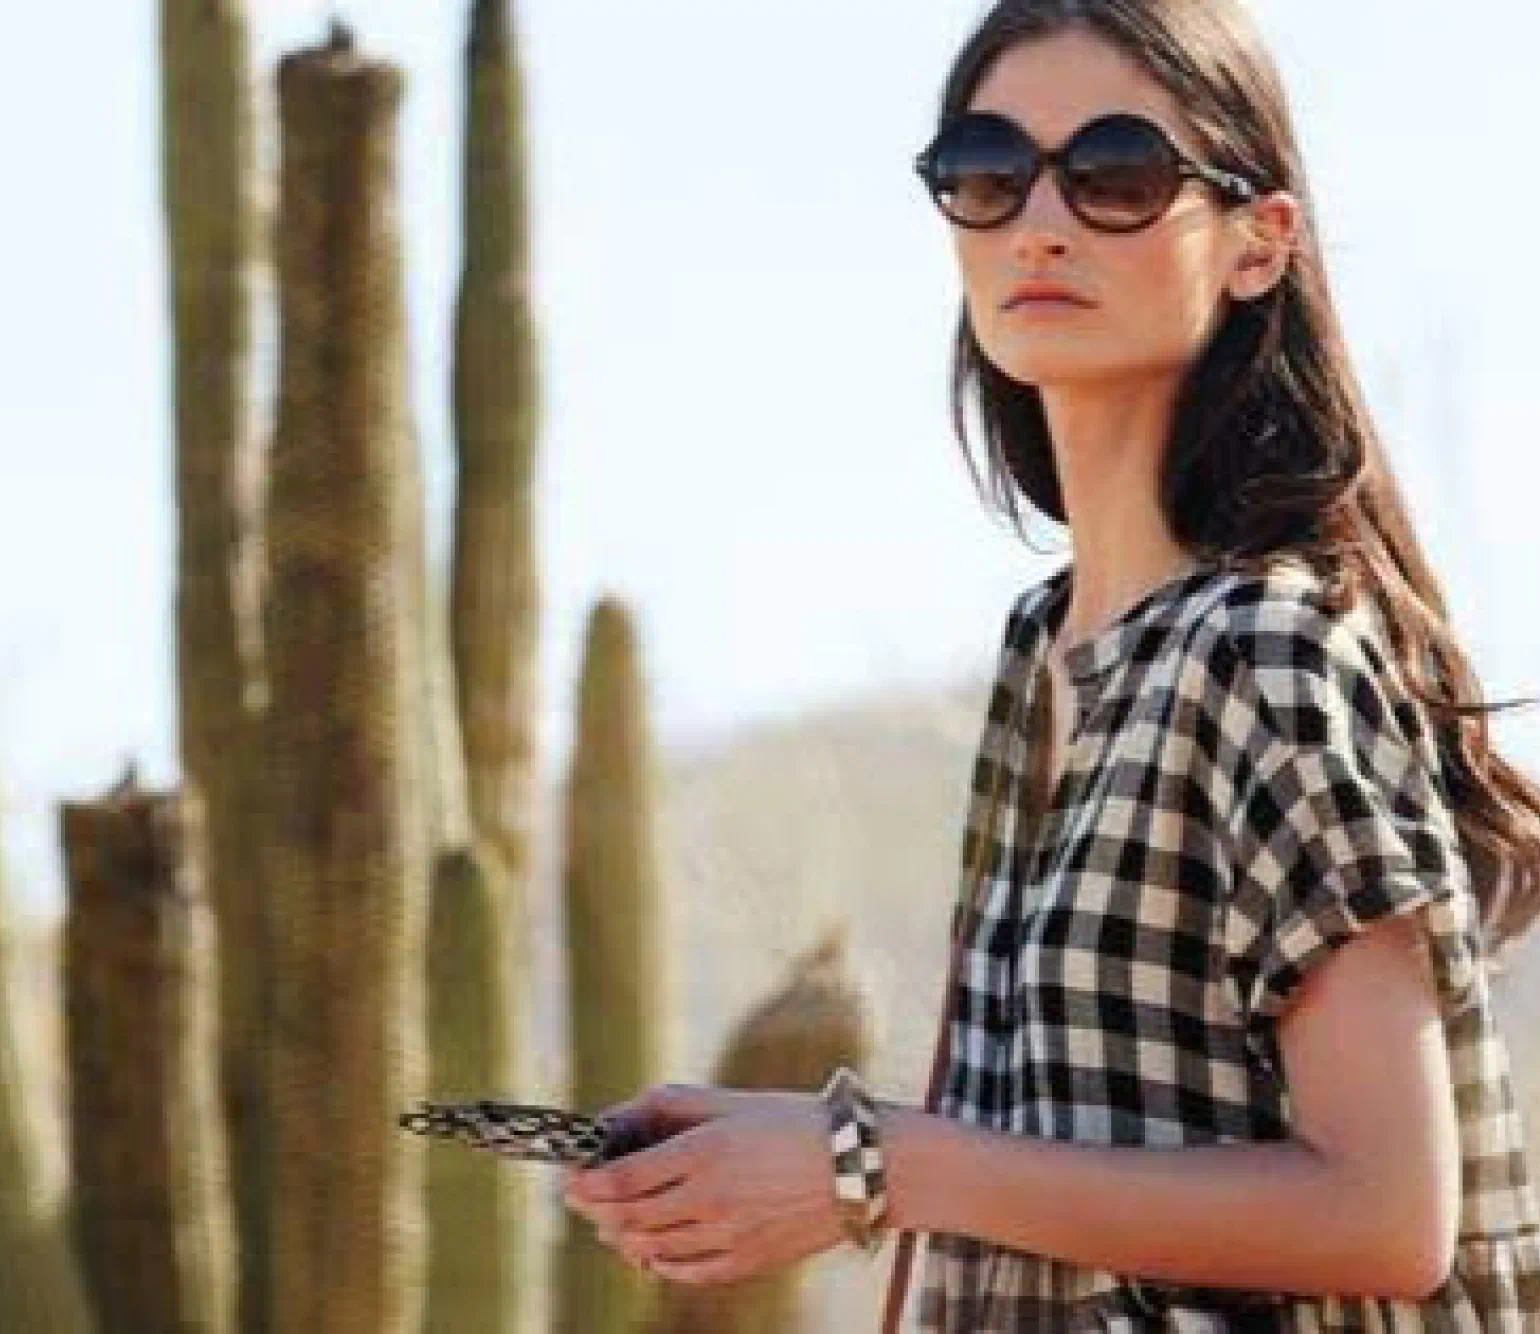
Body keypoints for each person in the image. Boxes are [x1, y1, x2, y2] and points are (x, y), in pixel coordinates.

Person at [559, 1, 1540, 1328]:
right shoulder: (1046, 651)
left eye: (1118, 174)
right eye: (985, 170)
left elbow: (1385, 1211)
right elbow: (1027, 1155)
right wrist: (809, 1153)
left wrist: (869, 1163)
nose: (1041, 219)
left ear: (1259, 241)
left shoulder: (1267, 647)